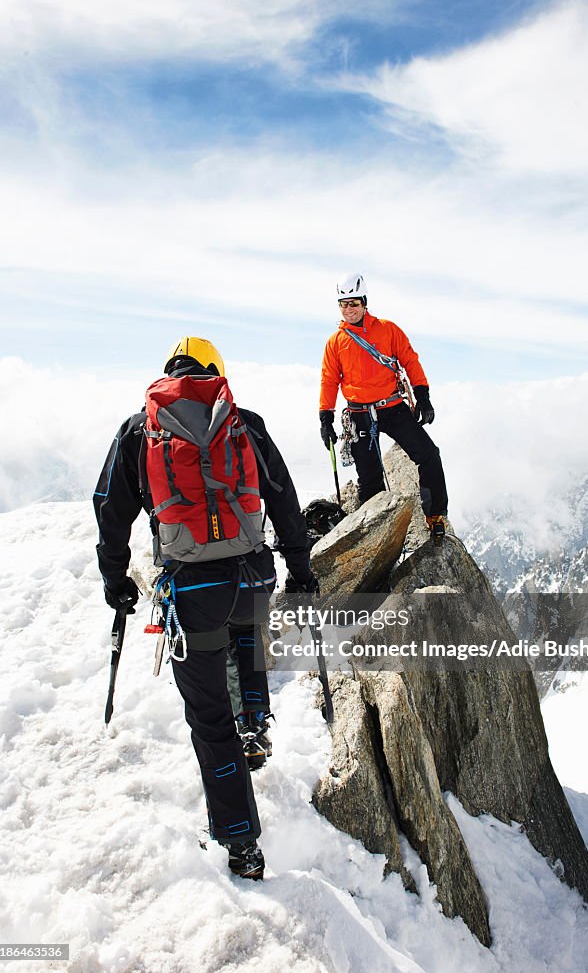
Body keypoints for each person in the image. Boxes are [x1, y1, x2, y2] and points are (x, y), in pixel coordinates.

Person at [94, 336, 316, 880]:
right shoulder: (244, 422)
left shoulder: (140, 429)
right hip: (252, 576)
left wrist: (115, 577)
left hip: (193, 592)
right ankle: (257, 724)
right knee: (248, 636)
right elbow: (283, 497)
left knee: (210, 719)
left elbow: (109, 507)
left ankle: (240, 843)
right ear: (216, 372)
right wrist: (301, 570)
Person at [319, 274, 449, 538]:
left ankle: (435, 515)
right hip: (359, 414)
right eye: (343, 304)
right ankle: (376, 538)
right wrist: (325, 418)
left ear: (364, 303)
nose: (348, 309)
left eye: (353, 303)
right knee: (370, 479)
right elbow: (329, 380)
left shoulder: (388, 330)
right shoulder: (336, 342)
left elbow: (410, 360)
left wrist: (422, 396)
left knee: (429, 455)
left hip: (392, 407)